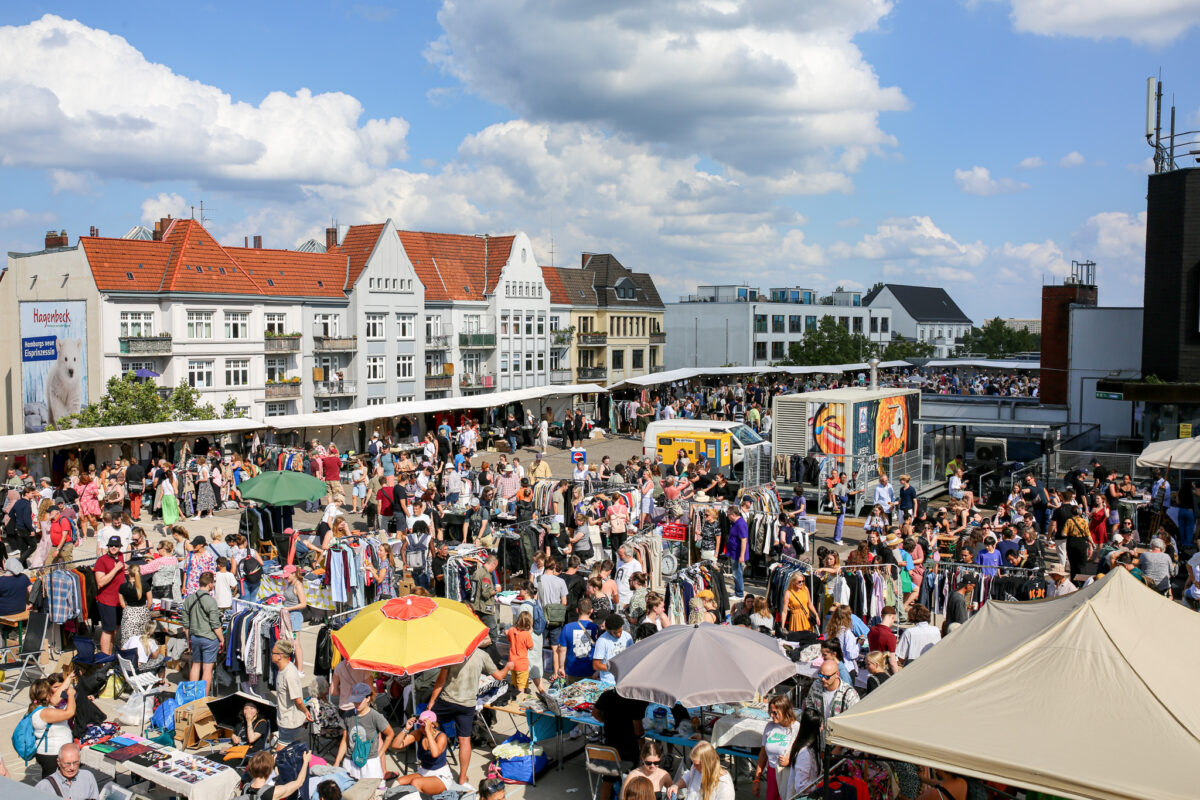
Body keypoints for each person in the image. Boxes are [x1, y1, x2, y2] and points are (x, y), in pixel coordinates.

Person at [428, 642, 512, 785]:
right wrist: (508, 667)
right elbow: (499, 676)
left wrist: (431, 702)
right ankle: (462, 777)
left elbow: (441, 680)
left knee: (430, 727)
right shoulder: (482, 655)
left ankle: (438, 765)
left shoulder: (453, 652)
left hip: (447, 700)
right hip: (467, 704)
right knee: (465, 739)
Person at [593, 687, 650, 800]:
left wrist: (606, 721)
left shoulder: (607, 695)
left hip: (610, 746)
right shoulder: (636, 700)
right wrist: (643, 747)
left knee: (608, 781)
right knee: (632, 779)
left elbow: (595, 713)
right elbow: (638, 729)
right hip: (628, 747)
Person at [335, 682, 394, 780]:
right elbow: (345, 740)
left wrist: (379, 755)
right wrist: (337, 762)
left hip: (370, 763)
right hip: (350, 760)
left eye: (359, 701)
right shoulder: (347, 715)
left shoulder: (375, 716)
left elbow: (390, 734)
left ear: (368, 698)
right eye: (355, 701)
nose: (356, 704)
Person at [389, 711, 452, 794]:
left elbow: (435, 754)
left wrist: (428, 732)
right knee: (398, 782)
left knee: (415, 783)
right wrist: (406, 729)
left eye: (423, 726)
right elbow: (396, 745)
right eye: (420, 725)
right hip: (424, 772)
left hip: (440, 775)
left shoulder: (441, 736)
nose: (421, 728)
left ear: (432, 725)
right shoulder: (419, 733)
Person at [28, 677, 76, 779]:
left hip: (50, 753)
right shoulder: (45, 712)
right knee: (52, 785)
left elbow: (56, 698)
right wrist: (71, 695)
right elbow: (69, 712)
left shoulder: (40, 707)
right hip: (52, 755)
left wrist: (69, 678)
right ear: (48, 695)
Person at [182, 571, 223, 690]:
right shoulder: (211, 601)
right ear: (210, 584)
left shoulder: (189, 600)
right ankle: (202, 698)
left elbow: (186, 625)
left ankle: (192, 694)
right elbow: (215, 625)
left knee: (195, 665)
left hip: (195, 637)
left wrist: (188, 639)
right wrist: (221, 640)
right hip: (209, 638)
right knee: (207, 670)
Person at [755, 695, 799, 800]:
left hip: (787, 774)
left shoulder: (796, 727)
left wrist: (789, 760)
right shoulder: (769, 726)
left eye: (775, 713)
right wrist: (756, 779)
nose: (772, 716)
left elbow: (803, 755)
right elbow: (763, 754)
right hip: (772, 772)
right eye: (770, 712)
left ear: (785, 711)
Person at [272, 640, 311, 744]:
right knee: (291, 749)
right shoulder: (282, 669)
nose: (271, 654)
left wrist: (305, 711)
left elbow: (297, 700)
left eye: (273, 652)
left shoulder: (289, 675)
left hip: (289, 722)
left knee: (280, 754)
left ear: (280, 655)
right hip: (285, 719)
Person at [666, 741, 734, 800]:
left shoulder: (724, 785)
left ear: (707, 764)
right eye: (693, 763)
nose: (693, 767)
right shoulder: (697, 769)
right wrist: (676, 786)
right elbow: (688, 777)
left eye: (696, 764)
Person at [779, 710, 822, 799]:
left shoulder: (812, 748)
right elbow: (801, 787)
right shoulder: (805, 753)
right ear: (814, 728)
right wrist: (820, 786)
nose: (823, 727)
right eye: (820, 725)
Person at [554, 597, 600, 681]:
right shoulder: (596, 628)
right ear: (591, 611)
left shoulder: (567, 627)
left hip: (572, 670)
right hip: (591, 671)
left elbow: (562, 650)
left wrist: (561, 667)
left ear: (577, 610)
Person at [94, 535, 125, 654]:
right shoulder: (101, 560)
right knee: (107, 630)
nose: (113, 547)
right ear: (107, 546)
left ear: (120, 547)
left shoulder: (121, 556)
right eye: (111, 545)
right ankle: (104, 657)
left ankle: (110, 653)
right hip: (107, 601)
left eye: (116, 546)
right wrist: (116, 569)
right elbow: (100, 582)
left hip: (119, 601)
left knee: (115, 629)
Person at [239, 750, 313, 800]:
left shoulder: (246, 787)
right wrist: (306, 762)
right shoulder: (272, 792)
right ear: (270, 770)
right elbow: (299, 782)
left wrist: (270, 764)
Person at [281, 566, 308, 674]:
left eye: (287, 576)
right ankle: (296, 666)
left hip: (295, 617)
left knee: (296, 643)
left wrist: (288, 608)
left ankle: (300, 670)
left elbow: (303, 604)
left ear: (294, 574)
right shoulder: (290, 583)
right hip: (288, 615)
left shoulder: (298, 585)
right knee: (290, 642)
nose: (286, 578)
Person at [592, 613, 633, 684]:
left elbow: (632, 656)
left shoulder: (627, 636)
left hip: (624, 679)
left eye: (620, 631)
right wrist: (612, 668)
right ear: (608, 630)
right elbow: (596, 665)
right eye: (615, 633)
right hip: (608, 682)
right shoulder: (602, 641)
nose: (618, 635)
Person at [506, 610, 535, 695]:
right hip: (522, 664)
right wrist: (529, 634)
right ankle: (519, 703)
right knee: (521, 686)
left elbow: (509, 639)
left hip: (512, 662)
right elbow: (531, 647)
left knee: (515, 683)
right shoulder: (526, 634)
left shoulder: (511, 630)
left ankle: (515, 698)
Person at [726, 506, 749, 598]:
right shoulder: (735, 523)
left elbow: (744, 540)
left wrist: (742, 555)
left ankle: (739, 594)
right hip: (734, 552)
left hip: (737, 553)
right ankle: (737, 591)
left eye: (728, 514)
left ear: (733, 515)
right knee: (735, 573)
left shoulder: (740, 524)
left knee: (737, 573)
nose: (727, 516)